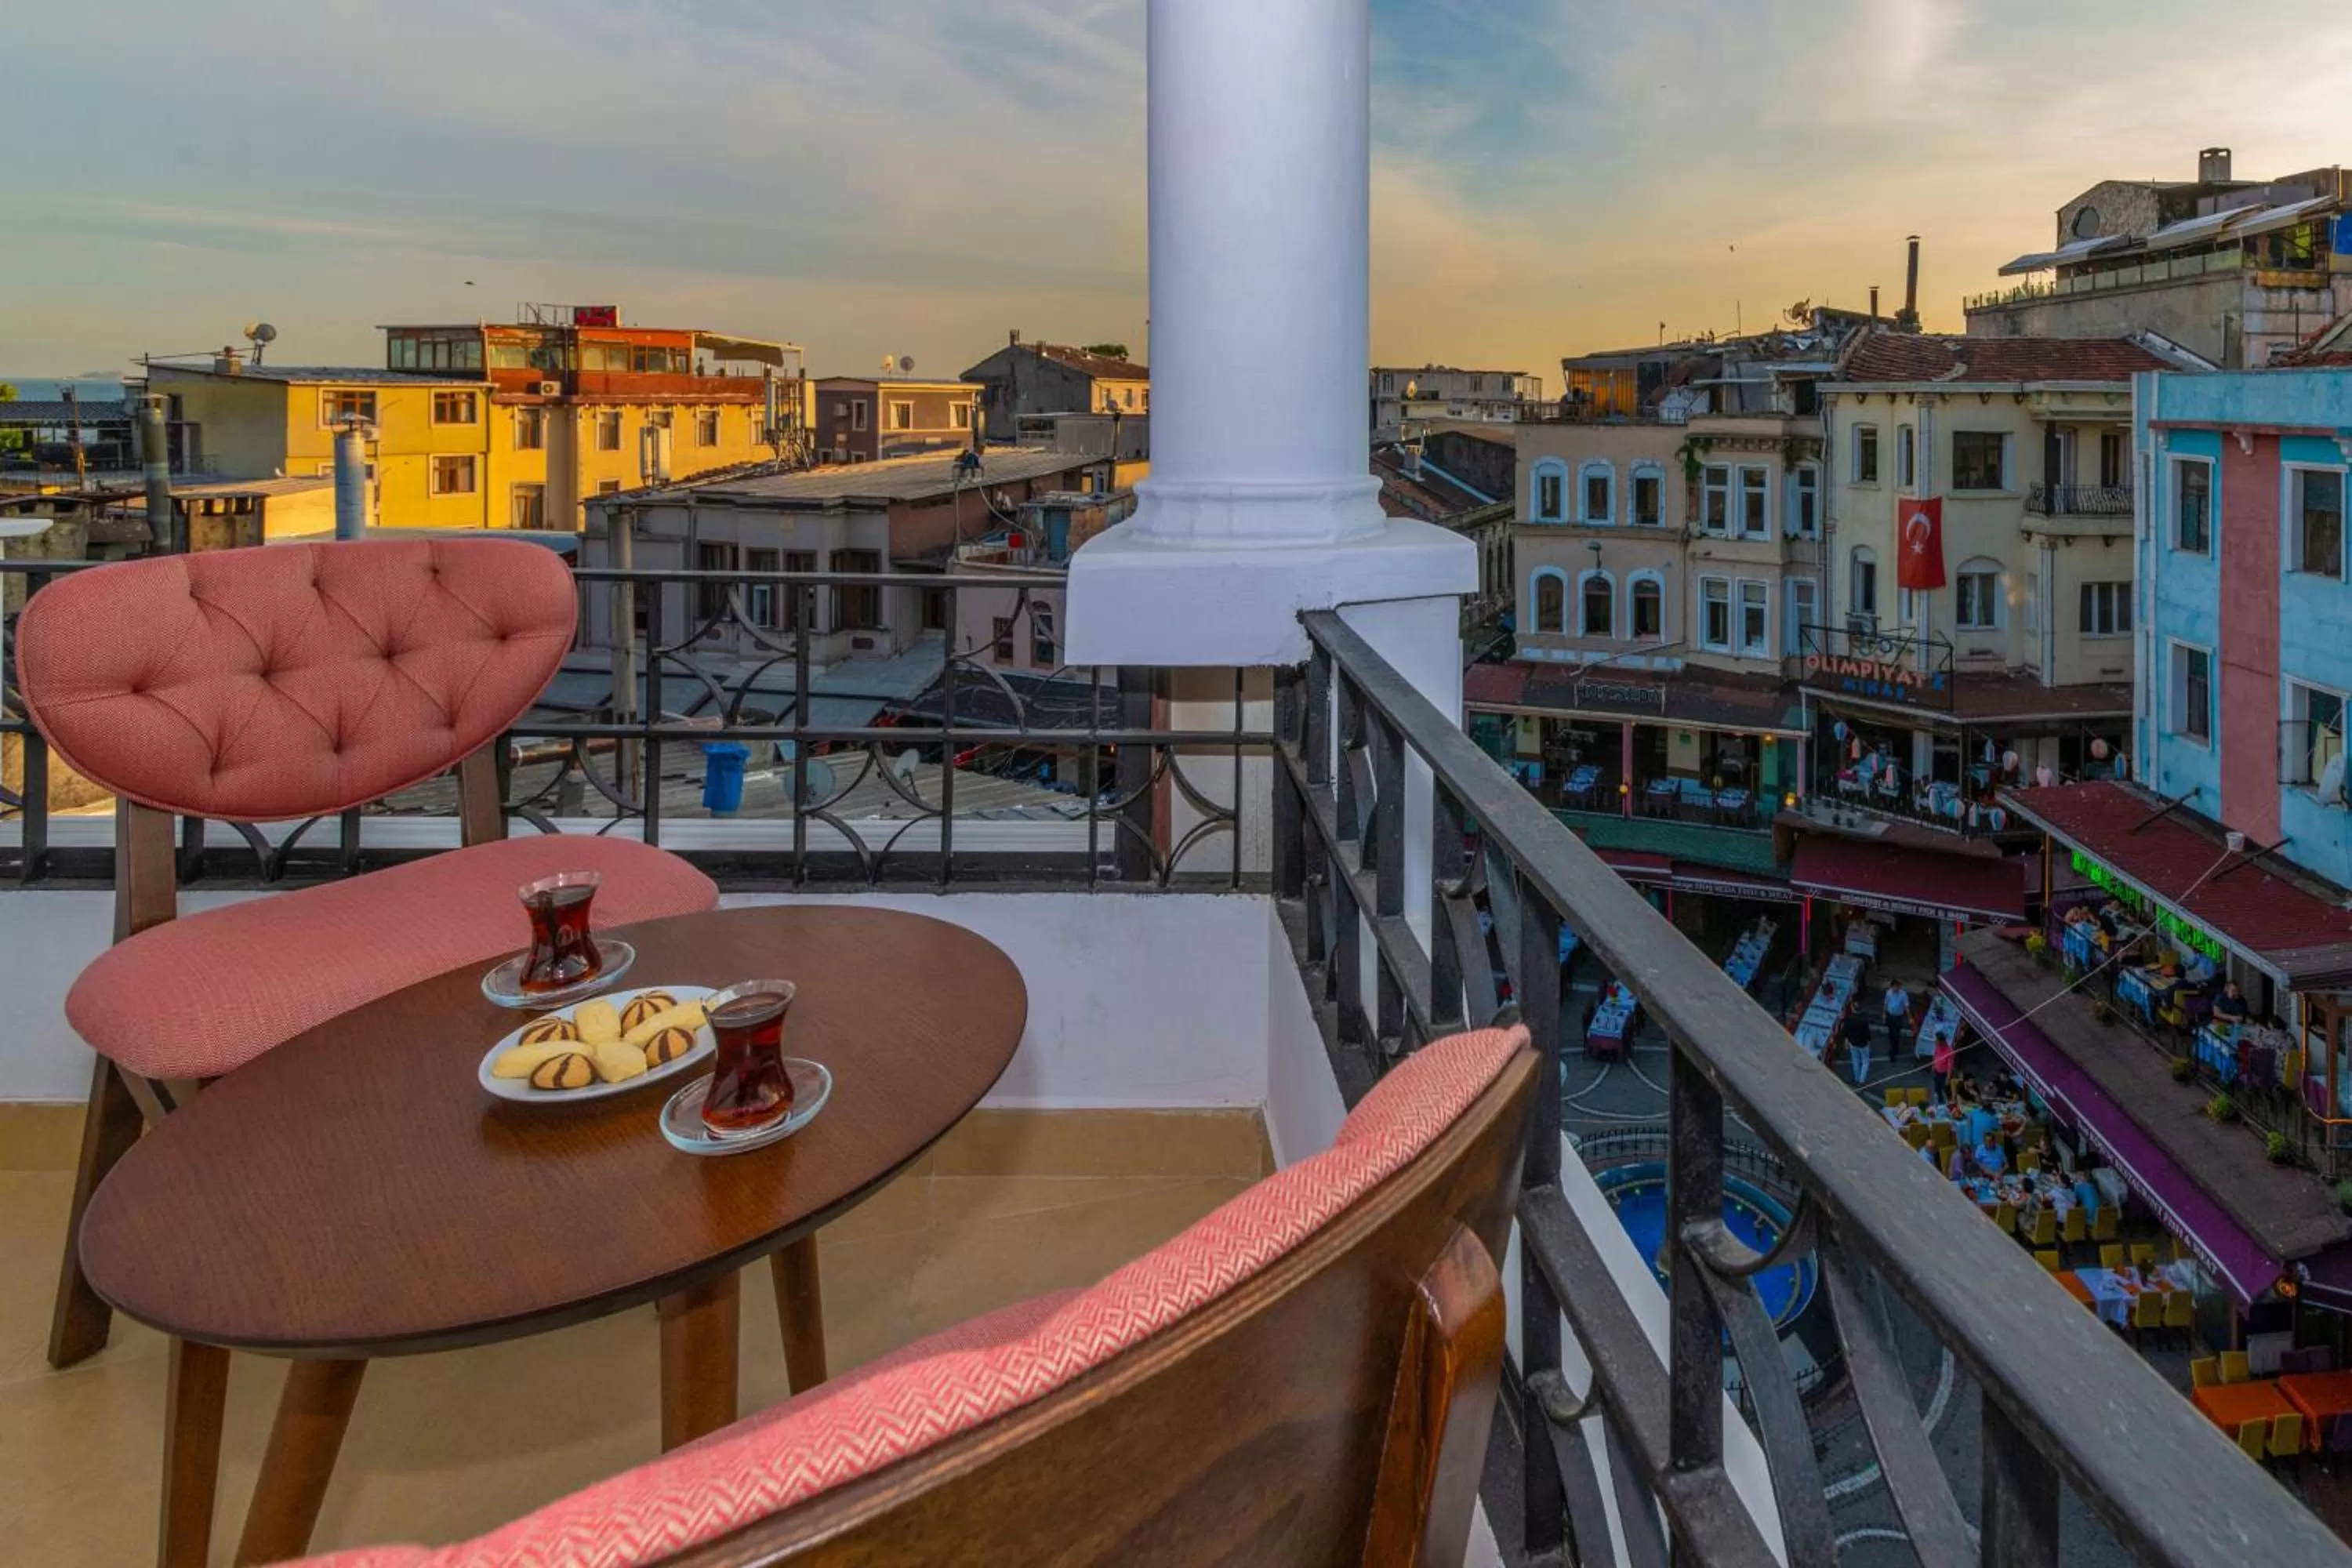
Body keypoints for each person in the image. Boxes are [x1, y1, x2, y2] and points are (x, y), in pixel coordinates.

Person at [1841, 1008, 1875, 1087]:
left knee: (1855, 1061)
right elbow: (1867, 1033)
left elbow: (1845, 1032)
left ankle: (1857, 1078)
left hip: (1853, 1043)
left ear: (1852, 1009)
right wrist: (1869, 1042)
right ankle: (1861, 1080)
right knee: (1865, 1062)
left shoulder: (1849, 1020)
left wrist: (1846, 1042)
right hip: (1863, 1044)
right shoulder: (1864, 1020)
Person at [1883, 978, 1912, 1054]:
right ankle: (1893, 1046)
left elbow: (1906, 1007)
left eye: (1897, 987)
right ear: (1892, 987)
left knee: (1896, 1033)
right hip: (1890, 1015)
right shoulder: (1889, 993)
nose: (1895, 988)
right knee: (1891, 1032)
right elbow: (1886, 1004)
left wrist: (1910, 1017)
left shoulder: (1903, 994)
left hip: (1898, 1017)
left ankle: (1894, 1048)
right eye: (1894, 987)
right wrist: (1884, 1013)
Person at [1932, 1025, 1957, 1102]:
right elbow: (1935, 1055)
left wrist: (1948, 1078)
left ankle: (1949, 1104)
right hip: (1937, 1073)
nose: (1935, 1041)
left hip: (1944, 1075)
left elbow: (1950, 1066)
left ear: (1942, 1041)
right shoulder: (1937, 1046)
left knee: (1946, 1091)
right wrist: (1933, 1065)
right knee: (1937, 1090)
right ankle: (1940, 1104)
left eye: (1937, 1040)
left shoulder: (1949, 1051)